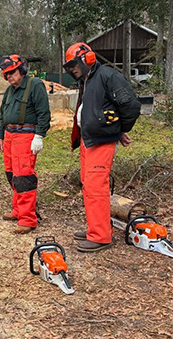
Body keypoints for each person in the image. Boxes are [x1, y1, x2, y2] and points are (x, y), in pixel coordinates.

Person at [63, 42, 141, 252]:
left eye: (74, 64)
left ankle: (101, 236)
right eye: (69, 66)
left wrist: (120, 128)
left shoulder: (107, 75)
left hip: (101, 140)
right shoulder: (87, 80)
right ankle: (96, 227)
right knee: (88, 185)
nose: (72, 69)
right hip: (88, 140)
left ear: (87, 59)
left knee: (96, 187)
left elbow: (131, 105)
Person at [0, 54, 50, 234]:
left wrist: (39, 135)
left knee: (24, 177)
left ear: (21, 69)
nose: (9, 77)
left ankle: (28, 219)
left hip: (25, 135)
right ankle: (18, 210)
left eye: (12, 72)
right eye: (6, 74)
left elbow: (43, 113)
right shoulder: (10, 91)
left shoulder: (35, 85)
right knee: (12, 174)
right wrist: (0, 136)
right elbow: (2, 114)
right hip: (9, 135)